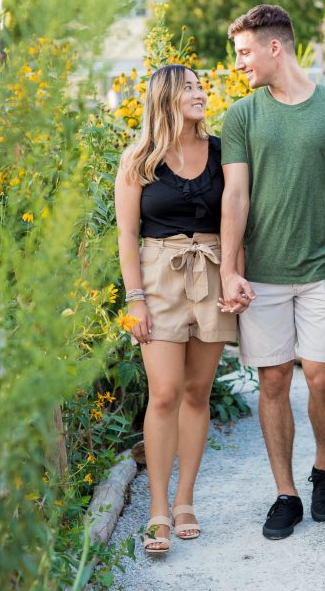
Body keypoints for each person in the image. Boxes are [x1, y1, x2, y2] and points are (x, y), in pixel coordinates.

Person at [217, 4, 325, 540]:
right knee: (273, 379)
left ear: (274, 47)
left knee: (322, 376)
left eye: (244, 52)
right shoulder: (241, 116)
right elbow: (235, 196)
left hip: (324, 266)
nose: (238, 64)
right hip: (264, 274)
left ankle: (324, 470)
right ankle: (287, 492)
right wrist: (230, 271)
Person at [115, 64, 238, 554]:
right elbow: (126, 234)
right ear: (166, 97)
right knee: (163, 393)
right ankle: (158, 509)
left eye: (200, 85)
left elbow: (237, 215)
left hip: (210, 272)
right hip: (158, 277)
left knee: (196, 391)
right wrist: (135, 299)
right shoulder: (139, 159)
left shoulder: (223, 151)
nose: (200, 92)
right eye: (188, 86)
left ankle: (186, 499)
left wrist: (232, 273)